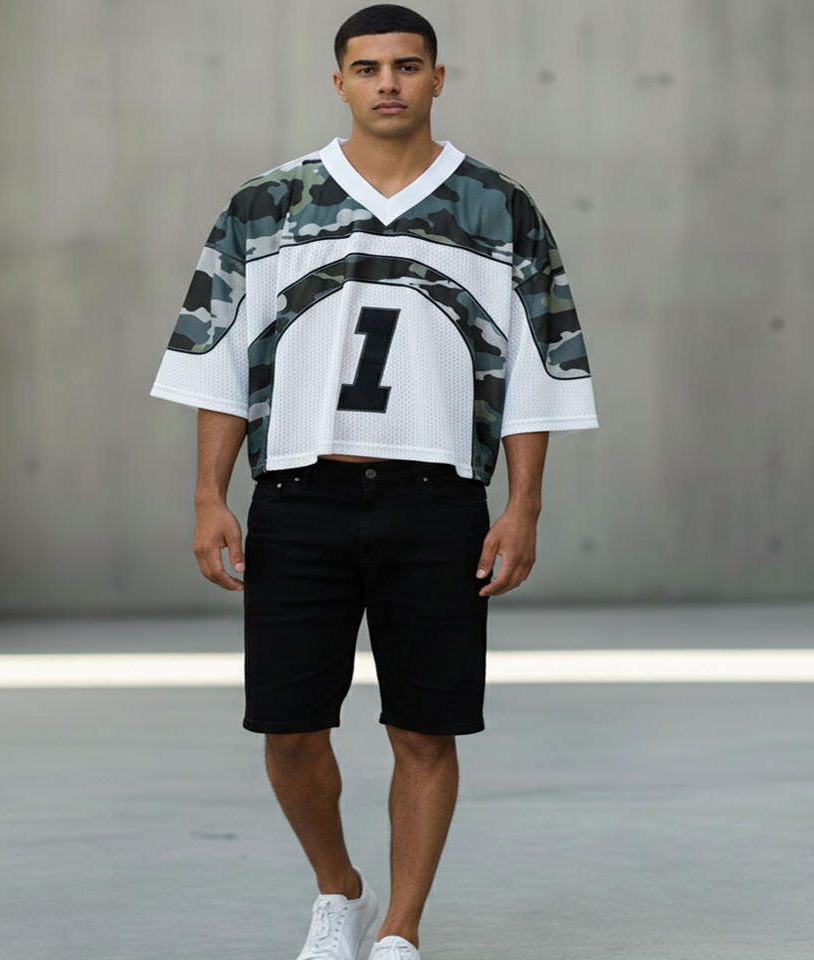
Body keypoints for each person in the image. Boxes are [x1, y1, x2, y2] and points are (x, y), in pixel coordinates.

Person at [149, 5, 599, 957]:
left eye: (406, 65)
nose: (387, 82)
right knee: (287, 727)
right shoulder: (267, 205)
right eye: (367, 67)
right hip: (298, 494)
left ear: (438, 77)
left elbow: (539, 366)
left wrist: (523, 505)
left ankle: (400, 930)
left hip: (437, 501)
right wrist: (207, 496)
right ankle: (339, 890)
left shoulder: (499, 207)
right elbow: (215, 356)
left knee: (426, 730)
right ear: (340, 82)